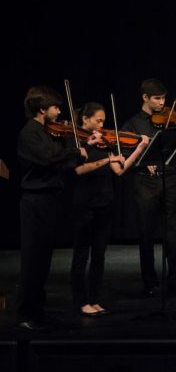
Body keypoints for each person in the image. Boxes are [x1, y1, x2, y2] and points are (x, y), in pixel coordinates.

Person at [16, 86, 96, 330]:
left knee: (44, 260)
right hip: (35, 201)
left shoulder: (48, 131)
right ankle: (26, 315)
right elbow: (48, 157)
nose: (60, 112)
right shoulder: (30, 133)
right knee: (32, 259)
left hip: (50, 200)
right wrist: (74, 149)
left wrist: (83, 149)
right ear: (42, 110)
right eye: (56, 107)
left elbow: (61, 163)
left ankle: (38, 311)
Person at [121, 78, 176, 297]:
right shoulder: (133, 124)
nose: (162, 102)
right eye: (157, 98)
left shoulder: (169, 121)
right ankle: (150, 282)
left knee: (174, 231)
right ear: (145, 98)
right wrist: (144, 160)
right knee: (146, 233)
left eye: (164, 98)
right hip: (145, 181)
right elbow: (127, 157)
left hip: (169, 177)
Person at [71, 102, 149, 317]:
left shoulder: (106, 142)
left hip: (105, 204)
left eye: (104, 121)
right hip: (84, 205)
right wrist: (105, 156)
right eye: (98, 120)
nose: (101, 125)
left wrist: (139, 148)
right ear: (85, 120)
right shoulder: (77, 142)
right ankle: (81, 301)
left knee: (99, 255)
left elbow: (120, 170)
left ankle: (94, 299)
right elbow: (78, 169)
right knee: (81, 255)